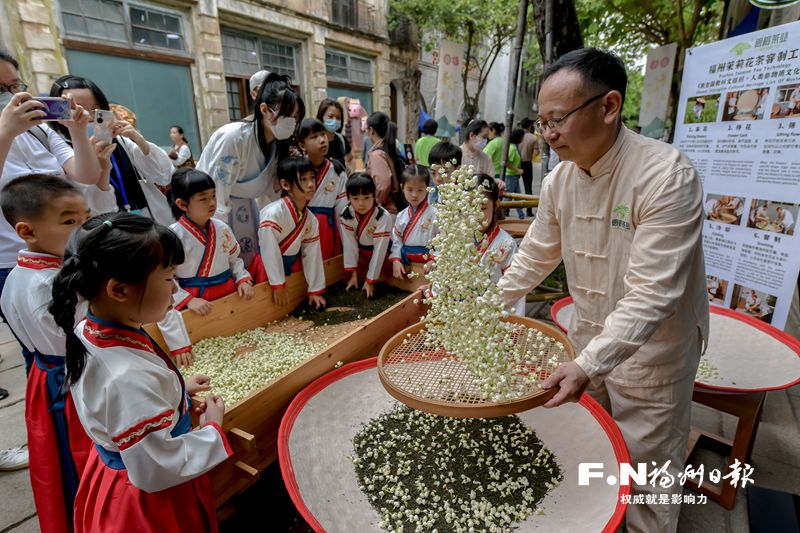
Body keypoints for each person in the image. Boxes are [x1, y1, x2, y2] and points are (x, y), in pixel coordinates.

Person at [497, 48, 708, 533]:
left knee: (650, 470)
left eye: (558, 120)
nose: (547, 134)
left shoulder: (665, 177)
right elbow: (535, 254)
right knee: (594, 451)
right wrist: (491, 301)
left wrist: (587, 364)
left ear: (608, 106)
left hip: (656, 350)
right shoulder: (559, 181)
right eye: (541, 121)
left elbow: (652, 295)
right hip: (588, 337)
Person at [49, 213, 232, 532]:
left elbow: (116, 405)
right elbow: (155, 468)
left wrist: (177, 392)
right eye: (167, 278)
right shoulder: (126, 378)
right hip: (150, 501)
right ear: (119, 290)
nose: (175, 291)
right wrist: (212, 429)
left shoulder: (90, 327)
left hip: (117, 466)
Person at [0, 175, 94, 533]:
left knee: (57, 461)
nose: (82, 230)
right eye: (69, 221)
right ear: (28, 231)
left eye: (85, 218)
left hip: (47, 375)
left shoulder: (20, 275)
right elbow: (77, 341)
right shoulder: (48, 284)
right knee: (77, 463)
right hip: (72, 381)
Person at [0, 50, 109, 298]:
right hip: (14, 263)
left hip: (68, 250)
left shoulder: (39, 130)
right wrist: (5, 132)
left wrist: (78, 131)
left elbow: (87, 175)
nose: (10, 96)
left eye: (14, 85)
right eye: (0, 89)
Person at [198, 73, 304, 269]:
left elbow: (272, 196)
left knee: (251, 260)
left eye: (295, 117)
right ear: (264, 109)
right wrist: (218, 235)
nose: (292, 122)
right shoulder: (233, 137)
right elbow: (217, 193)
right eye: (287, 115)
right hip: (215, 211)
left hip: (249, 209)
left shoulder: (278, 146)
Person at [50, 75, 175, 226]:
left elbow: (164, 175)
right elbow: (96, 210)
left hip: (149, 222)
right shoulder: (62, 152)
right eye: (76, 109)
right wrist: (103, 171)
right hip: (111, 233)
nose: (88, 117)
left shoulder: (120, 140)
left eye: (95, 109)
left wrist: (138, 138)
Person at [168, 168, 254, 318]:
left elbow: (233, 259)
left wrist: (242, 279)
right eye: (203, 198)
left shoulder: (222, 228)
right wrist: (189, 300)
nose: (212, 203)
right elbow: (166, 278)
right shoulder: (173, 236)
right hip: (196, 302)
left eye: (213, 195)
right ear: (182, 204)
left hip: (230, 293)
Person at [257, 156, 326, 309]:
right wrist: (278, 285)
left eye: (312, 178)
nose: (310, 185)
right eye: (303, 179)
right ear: (285, 184)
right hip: (267, 271)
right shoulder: (272, 214)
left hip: (289, 269)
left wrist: (314, 290)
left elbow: (312, 255)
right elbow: (269, 251)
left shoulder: (311, 220)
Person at [296, 118, 348, 259]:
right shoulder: (295, 170)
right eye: (314, 137)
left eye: (323, 134)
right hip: (301, 227)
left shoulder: (337, 170)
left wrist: (347, 247)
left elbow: (342, 211)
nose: (322, 140)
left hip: (327, 229)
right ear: (302, 145)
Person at [475, 174, 524, 315]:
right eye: (469, 207)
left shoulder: (507, 244)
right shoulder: (458, 239)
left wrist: (515, 324)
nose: (476, 214)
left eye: (483, 208)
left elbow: (515, 289)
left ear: (495, 204)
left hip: (493, 313)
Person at [340, 173, 392, 299]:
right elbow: (349, 244)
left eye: (367, 197)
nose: (361, 203)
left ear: (374, 195)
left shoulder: (383, 216)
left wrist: (370, 280)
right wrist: (353, 274)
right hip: (362, 255)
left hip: (384, 254)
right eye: (355, 198)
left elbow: (380, 250)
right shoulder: (346, 214)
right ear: (348, 197)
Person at [389, 165, 438, 278]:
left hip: (428, 262)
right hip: (407, 262)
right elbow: (397, 240)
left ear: (427, 188)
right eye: (410, 190)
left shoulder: (435, 214)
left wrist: (434, 258)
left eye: (420, 190)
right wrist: (396, 259)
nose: (414, 195)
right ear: (402, 187)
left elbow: (442, 241)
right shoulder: (401, 216)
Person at [365, 112, 401, 215]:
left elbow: (383, 185)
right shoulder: (391, 149)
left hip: (387, 211)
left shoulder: (377, 154)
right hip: (396, 207)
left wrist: (375, 202)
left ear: (371, 130)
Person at [316, 98, 352, 171]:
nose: (334, 120)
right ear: (321, 117)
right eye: (330, 116)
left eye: (338, 118)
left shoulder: (342, 139)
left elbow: (350, 157)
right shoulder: (314, 141)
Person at [504, 128, 525, 219]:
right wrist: (517, 170)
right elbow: (507, 163)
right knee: (507, 198)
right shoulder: (512, 148)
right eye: (522, 137)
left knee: (517, 197)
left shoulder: (514, 147)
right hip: (510, 176)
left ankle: (521, 216)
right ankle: (499, 214)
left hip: (514, 176)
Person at [518, 118, 537, 197]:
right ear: (529, 126)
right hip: (527, 163)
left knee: (512, 185)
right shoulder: (533, 138)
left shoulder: (517, 136)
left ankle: (507, 207)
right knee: (528, 186)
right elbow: (537, 152)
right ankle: (528, 208)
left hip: (516, 164)